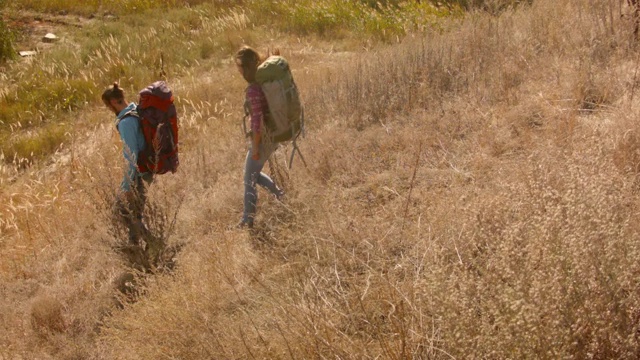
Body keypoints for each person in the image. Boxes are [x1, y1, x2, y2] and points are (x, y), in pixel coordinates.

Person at [235, 46, 284, 228]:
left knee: (249, 179)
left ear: (246, 67)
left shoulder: (254, 89)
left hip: (264, 138)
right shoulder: (264, 80)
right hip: (275, 134)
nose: (238, 70)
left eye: (239, 67)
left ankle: (247, 220)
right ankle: (280, 195)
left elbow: (257, 121)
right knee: (252, 174)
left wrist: (255, 147)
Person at [102, 82, 153, 245]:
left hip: (139, 172)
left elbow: (131, 156)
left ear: (112, 102)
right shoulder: (136, 110)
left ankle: (152, 244)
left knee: (124, 212)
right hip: (147, 168)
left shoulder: (125, 122)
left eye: (107, 105)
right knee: (133, 214)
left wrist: (127, 186)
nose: (108, 109)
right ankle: (136, 248)